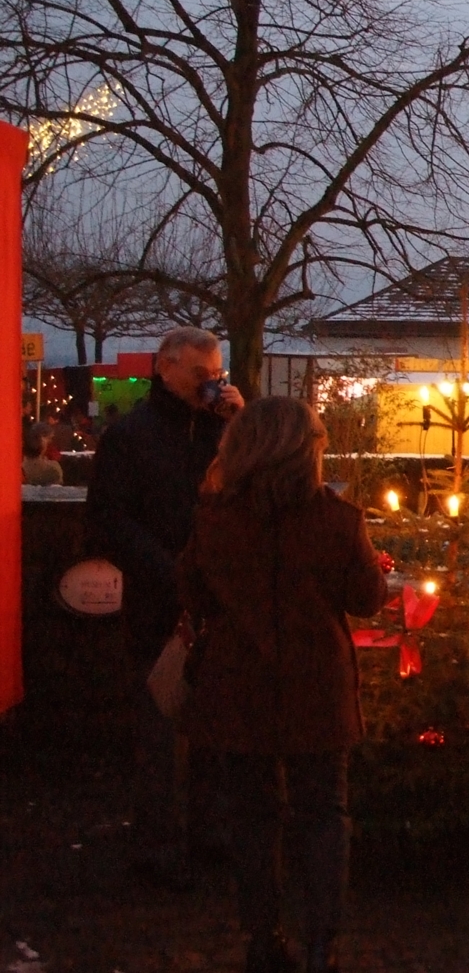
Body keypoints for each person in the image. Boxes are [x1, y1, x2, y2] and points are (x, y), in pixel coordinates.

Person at [175, 397, 385, 973]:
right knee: (323, 813)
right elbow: (367, 599)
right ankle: (322, 944)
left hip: (237, 687)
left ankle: (262, 939)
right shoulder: (338, 520)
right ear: (306, 453)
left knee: (251, 816)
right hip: (316, 688)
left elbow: (193, 595)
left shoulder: (214, 517)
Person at [87, 326, 244, 889]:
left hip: (215, 602)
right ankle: (157, 841)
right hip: (158, 602)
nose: (211, 383)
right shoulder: (131, 438)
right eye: (199, 374)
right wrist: (167, 571)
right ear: (165, 368)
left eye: (216, 373)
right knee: (159, 725)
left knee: (213, 724)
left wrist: (240, 427)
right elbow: (108, 521)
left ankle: (210, 831)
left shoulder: (223, 436)